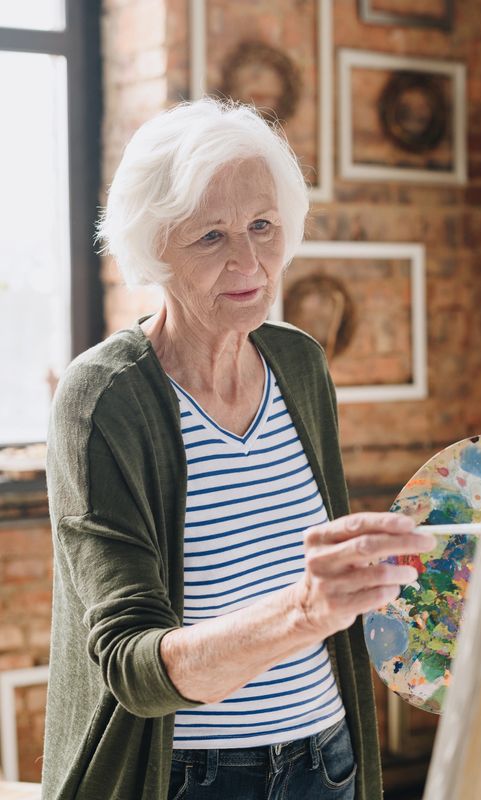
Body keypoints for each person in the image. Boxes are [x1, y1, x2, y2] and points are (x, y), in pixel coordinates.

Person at [41, 97, 435, 800]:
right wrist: (305, 611)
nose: (249, 261)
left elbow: (307, 569)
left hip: (327, 758)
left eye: (262, 226)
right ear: (153, 246)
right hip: (195, 778)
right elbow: (132, 668)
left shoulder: (300, 366)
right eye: (211, 237)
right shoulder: (104, 397)